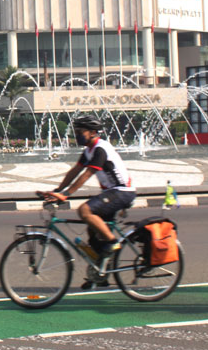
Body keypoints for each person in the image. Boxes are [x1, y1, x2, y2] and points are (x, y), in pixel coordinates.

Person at [37, 115, 136, 287]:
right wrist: (57, 191)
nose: (77, 135)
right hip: (112, 192)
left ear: (92, 133)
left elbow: (87, 174)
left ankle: (113, 243)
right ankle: (101, 274)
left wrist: (67, 194)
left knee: (84, 211)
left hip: (122, 192)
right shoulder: (89, 150)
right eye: (76, 132)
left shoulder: (100, 149)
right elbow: (75, 171)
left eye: (80, 132)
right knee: (93, 233)